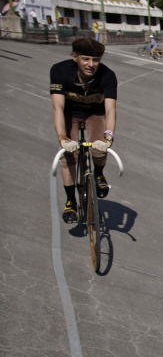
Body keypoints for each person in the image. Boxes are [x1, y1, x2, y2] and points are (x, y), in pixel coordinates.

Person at [50, 38, 117, 223]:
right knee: (68, 157)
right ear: (75, 57)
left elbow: (110, 110)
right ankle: (71, 201)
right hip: (70, 113)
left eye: (96, 60)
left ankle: (98, 173)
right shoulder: (59, 71)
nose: (91, 64)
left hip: (94, 113)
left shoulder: (108, 76)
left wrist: (108, 138)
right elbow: (57, 108)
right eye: (85, 59)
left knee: (98, 149)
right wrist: (63, 138)